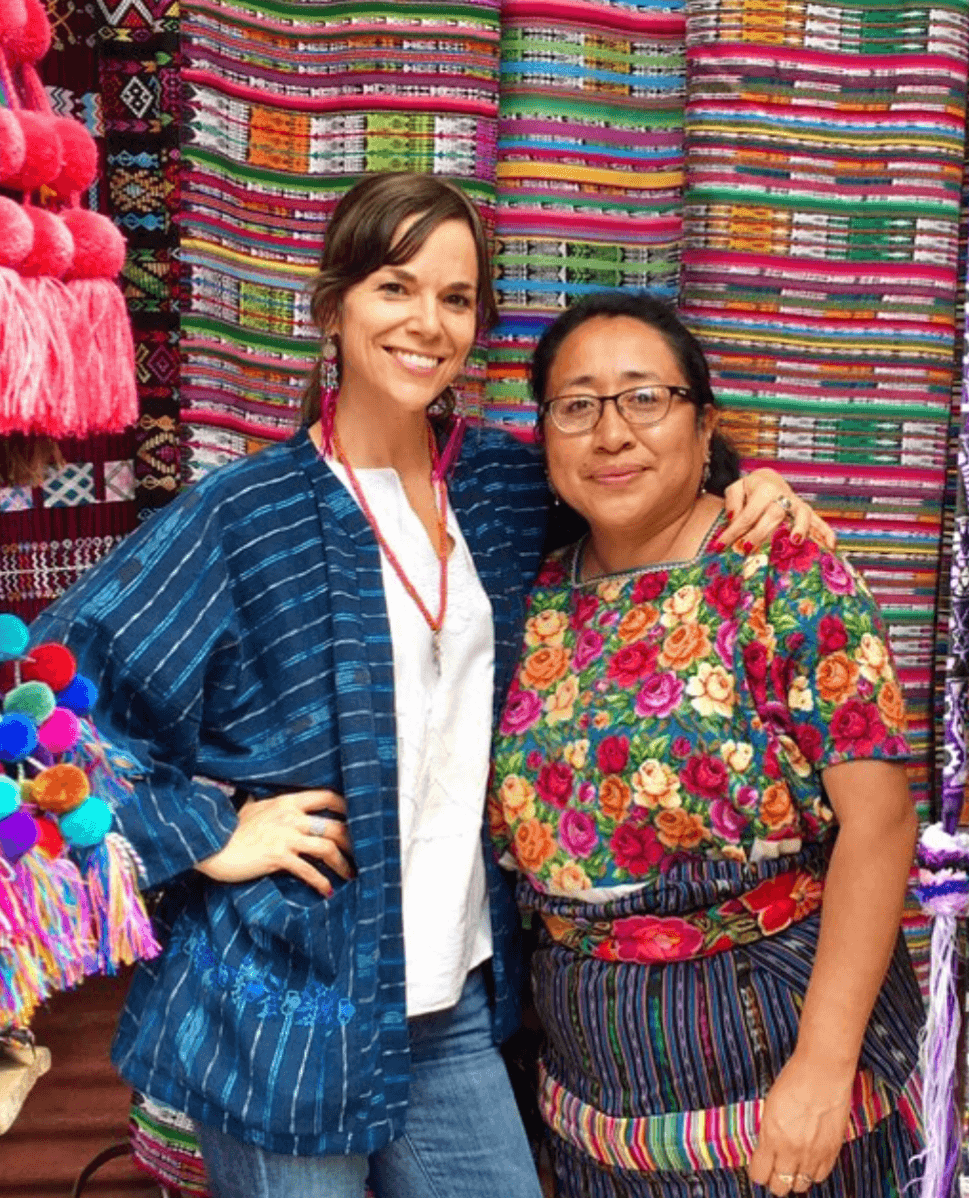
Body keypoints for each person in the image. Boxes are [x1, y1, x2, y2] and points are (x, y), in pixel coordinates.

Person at [33, 174, 826, 1198]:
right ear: (333, 307)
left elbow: (641, 486)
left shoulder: (501, 488)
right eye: (395, 288)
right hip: (286, 1006)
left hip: (451, 1001)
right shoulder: (245, 516)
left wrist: (741, 483)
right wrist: (213, 830)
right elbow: (50, 705)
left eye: (456, 299)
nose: (427, 323)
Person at [487, 291, 923, 1198]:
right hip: (588, 1073)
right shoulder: (528, 599)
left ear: (705, 423)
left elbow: (879, 825)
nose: (612, 433)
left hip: (769, 1038)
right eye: (577, 405)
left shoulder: (781, 569)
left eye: (645, 398)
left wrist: (821, 1068)